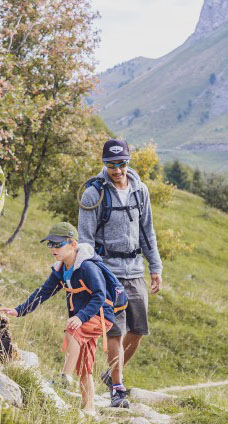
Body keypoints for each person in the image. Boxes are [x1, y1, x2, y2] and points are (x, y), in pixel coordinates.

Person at [77, 139, 162, 408]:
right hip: (107, 270)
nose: (117, 170)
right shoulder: (94, 194)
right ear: (105, 164)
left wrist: (155, 267)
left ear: (128, 162)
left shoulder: (140, 191)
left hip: (135, 268)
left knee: (137, 329)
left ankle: (112, 373)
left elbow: (147, 231)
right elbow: (85, 238)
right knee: (115, 330)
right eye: (111, 165)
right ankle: (117, 387)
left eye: (121, 163)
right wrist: (91, 271)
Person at [1, 222, 115, 414]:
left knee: (72, 329)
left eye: (58, 244)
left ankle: (64, 378)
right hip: (85, 316)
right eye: (50, 244)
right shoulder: (61, 270)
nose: (53, 248)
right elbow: (43, 292)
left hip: (100, 314)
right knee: (85, 365)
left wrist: (80, 316)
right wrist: (19, 310)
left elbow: (99, 295)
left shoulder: (87, 267)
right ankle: (90, 409)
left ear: (72, 244)